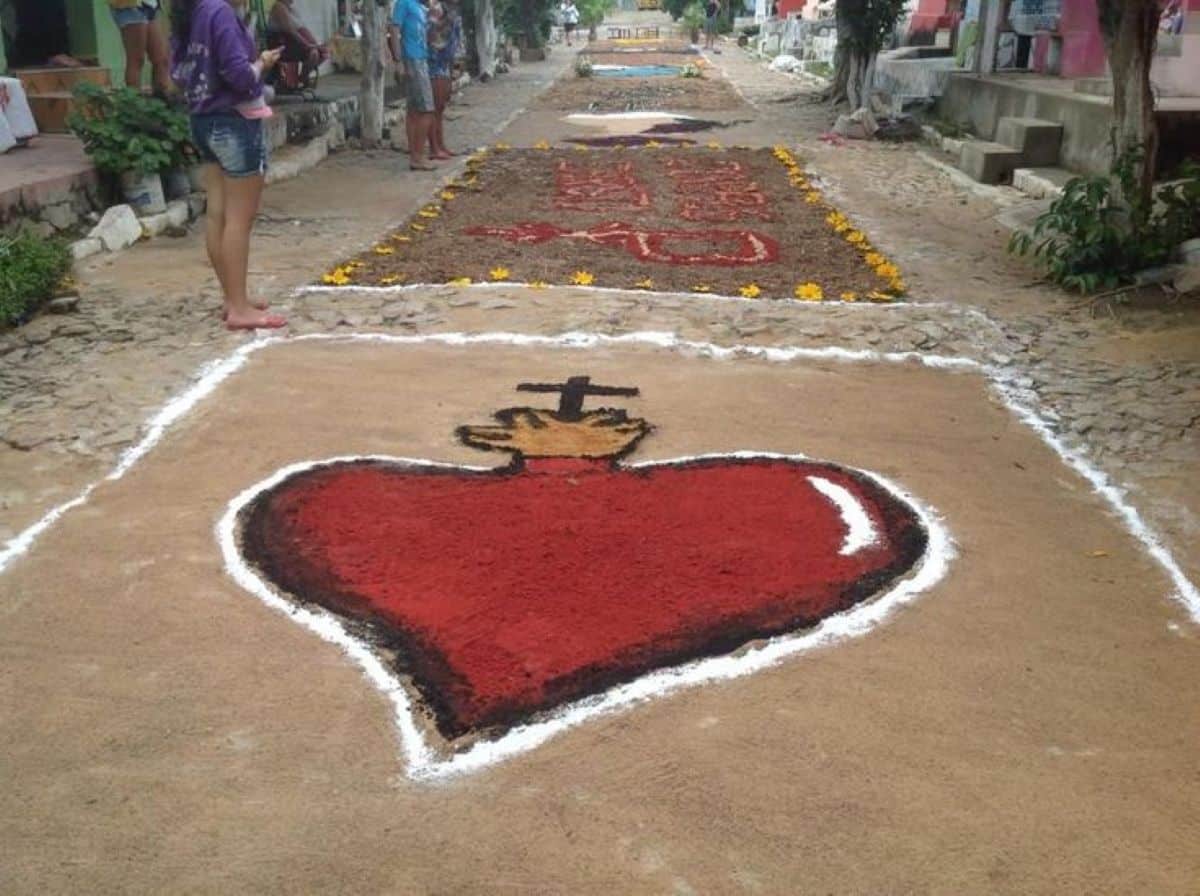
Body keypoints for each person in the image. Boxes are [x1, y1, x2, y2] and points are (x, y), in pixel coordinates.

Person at [170, 0, 287, 331]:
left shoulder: (190, 13)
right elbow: (238, 76)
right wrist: (261, 64)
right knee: (239, 219)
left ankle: (233, 298)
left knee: (218, 215)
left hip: (203, 120)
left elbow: (176, 74)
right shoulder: (219, 13)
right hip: (233, 121)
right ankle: (239, 306)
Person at [390, 0, 437, 171]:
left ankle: (415, 155)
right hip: (412, 59)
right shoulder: (404, 3)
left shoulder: (419, 7)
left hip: (420, 58)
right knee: (427, 110)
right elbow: (394, 30)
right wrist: (398, 61)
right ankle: (417, 156)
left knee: (415, 111)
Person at [108, 0, 172, 96]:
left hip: (150, 6)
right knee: (136, 59)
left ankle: (161, 103)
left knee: (161, 59)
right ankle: (134, 104)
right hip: (129, 6)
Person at [266, 0, 331, 89]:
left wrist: (313, 43)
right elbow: (290, 31)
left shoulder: (292, 9)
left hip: (294, 43)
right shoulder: (279, 7)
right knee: (313, 54)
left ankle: (302, 77)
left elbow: (301, 28)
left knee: (323, 52)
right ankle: (303, 78)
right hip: (283, 45)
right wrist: (307, 44)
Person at [426, 0, 461, 160]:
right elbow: (434, 37)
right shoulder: (436, 8)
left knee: (439, 109)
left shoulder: (451, 12)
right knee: (434, 109)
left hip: (444, 63)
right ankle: (434, 147)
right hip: (435, 62)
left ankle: (440, 145)